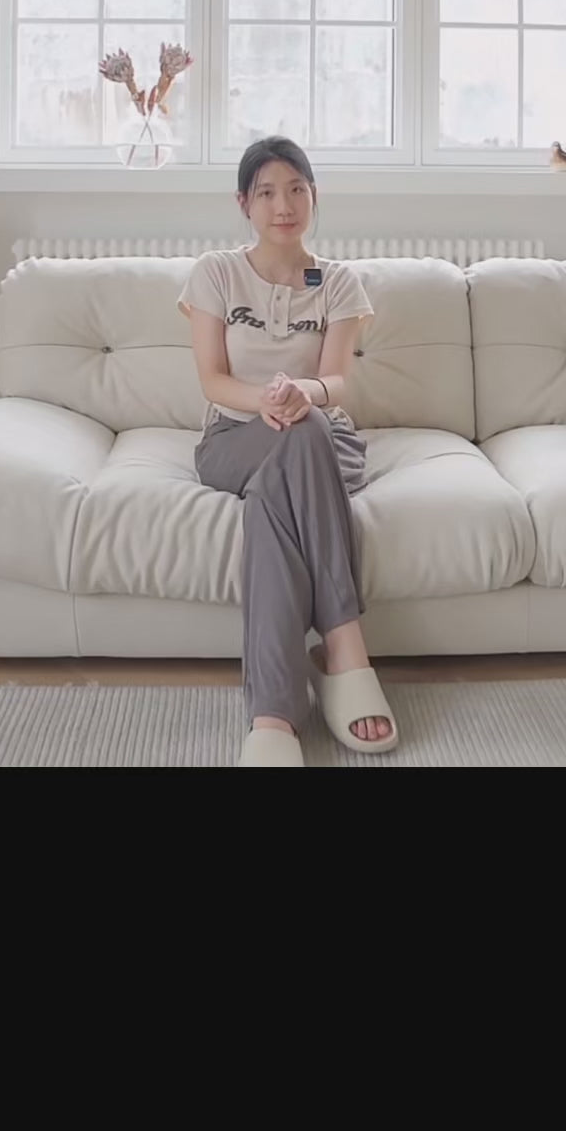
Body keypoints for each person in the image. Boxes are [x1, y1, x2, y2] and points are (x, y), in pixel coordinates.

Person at [179, 136, 399, 768]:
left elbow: (337, 383)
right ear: (244, 203)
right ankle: (345, 649)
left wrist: (305, 394)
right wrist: (266, 402)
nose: (284, 205)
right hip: (234, 440)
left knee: (288, 468)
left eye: (297, 190)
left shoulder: (338, 283)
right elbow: (213, 381)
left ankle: (273, 712)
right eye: (268, 193)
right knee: (293, 437)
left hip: (326, 439)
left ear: (313, 195)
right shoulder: (216, 273)